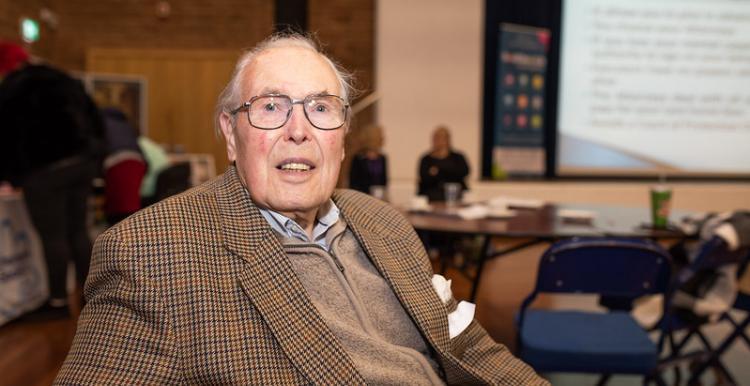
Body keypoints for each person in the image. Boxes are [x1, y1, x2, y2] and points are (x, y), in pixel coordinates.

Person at [56, 33, 547, 385]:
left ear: (342, 136)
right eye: (270, 107)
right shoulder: (152, 253)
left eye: (321, 107)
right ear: (231, 134)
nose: (298, 130)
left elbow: (472, 351)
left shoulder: (382, 220)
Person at [0, 62, 104, 319]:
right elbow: (95, 117)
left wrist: (10, 174)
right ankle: (93, 294)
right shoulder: (62, 78)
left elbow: (4, 134)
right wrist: (93, 156)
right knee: (78, 230)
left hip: (43, 168)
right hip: (81, 162)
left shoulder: (14, 89)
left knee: (53, 236)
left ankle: (57, 302)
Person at [418, 126, 470, 202]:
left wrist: (437, 170)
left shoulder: (458, 157)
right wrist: (448, 171)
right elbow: (425, 178)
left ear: (448, 139)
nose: (439, 141)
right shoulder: (426, 159)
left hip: (456, 197)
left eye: (442, 138)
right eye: (436, 138)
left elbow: (463, 172)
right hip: (432, 197)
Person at [349, 123, 388, 195]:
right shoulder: (358, 158)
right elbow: (353, 183)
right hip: (362, 196)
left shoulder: (382, 158)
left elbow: (384, 182)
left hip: (379, 196)